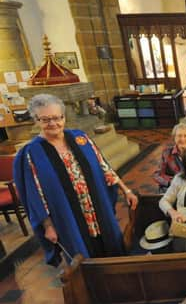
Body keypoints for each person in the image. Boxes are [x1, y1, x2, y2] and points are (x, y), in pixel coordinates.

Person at [13, 94, 138, 265]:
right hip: (67, 215)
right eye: (45, 119)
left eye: (57, 117)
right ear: (36, 120)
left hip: (96, 207)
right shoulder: (30, 153)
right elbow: (35, 195)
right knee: (81, 257)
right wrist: (48, 225)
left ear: (64, 117)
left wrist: (126, 190)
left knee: (112, 246)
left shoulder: (80, 138)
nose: (53, 123)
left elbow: (103, 166)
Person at [153, 123, 186, 193]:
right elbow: (157, 175)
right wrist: (171, 182)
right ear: (174, 138)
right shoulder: (167, 153)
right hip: (174, 188)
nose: (182, 139)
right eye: (179, 136)